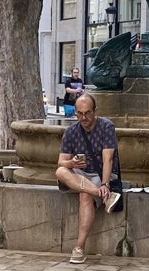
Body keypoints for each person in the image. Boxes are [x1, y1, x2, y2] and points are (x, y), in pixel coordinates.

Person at [55, 93, 121, 264]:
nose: (83, 117)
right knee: (60, 171)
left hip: (100, 174)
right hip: (80, 174)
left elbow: (108, 159)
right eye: (80, 113)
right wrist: (72, 162)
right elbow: (61, 161)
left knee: (84, 195)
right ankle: (103, 195)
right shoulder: (71, 132)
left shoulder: (107, 127)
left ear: (95, 111)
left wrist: (105, 183)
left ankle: (79, 247)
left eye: (87, 113)